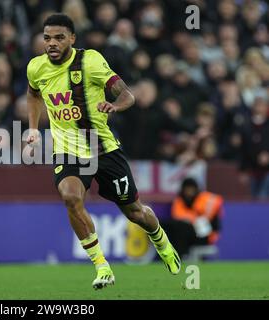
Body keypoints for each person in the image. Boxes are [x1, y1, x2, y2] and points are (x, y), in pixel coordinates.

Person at [26, 13, 180, 290]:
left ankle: (160, 239)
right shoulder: (36, 68)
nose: (52, 43)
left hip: (104, 150)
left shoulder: (91, 61)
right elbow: (33, 93)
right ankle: (102, 266)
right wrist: (34, 128)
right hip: (67, 152)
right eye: (47, 37)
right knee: (71, 198)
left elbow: (127, 94)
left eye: (59, 37)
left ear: (72, 39)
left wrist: (115, 106)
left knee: (134, 212)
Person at [167, 178, 224, 258]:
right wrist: (195, 217)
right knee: (175, 227)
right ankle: (178, 255)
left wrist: (200, 214)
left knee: (197, 224)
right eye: (187, 189)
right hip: (189, 233)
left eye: (191, 189)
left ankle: (180, 255)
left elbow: (218, 201)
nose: (189, 192)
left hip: (205, 235)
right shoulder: (179, 201)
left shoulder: (205, 199)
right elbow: (178, 216)